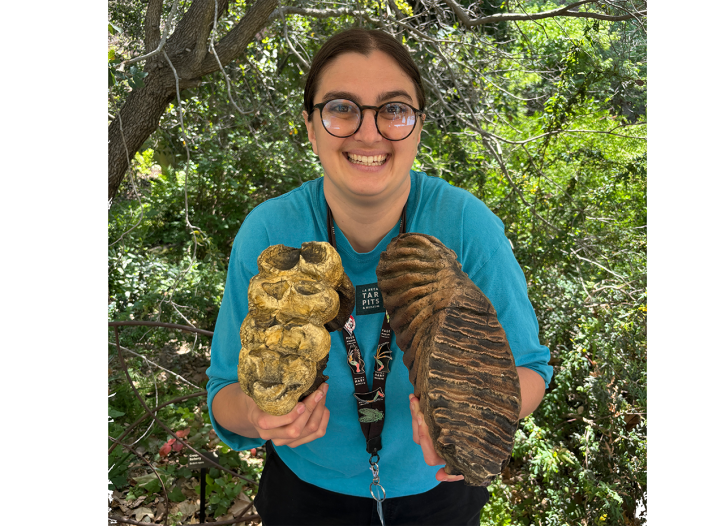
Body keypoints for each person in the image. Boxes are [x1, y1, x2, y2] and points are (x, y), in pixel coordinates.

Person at [206, 28, 552, 526]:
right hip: (305, 494)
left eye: (393, 109)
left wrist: (471, 418)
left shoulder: (464, 225)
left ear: (418, 125)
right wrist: (260, 415)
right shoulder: (272, 232)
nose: (369, 133)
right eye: (342, 108)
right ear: (310, 125)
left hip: (436, 499)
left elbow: (530, 369)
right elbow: (224, 393)